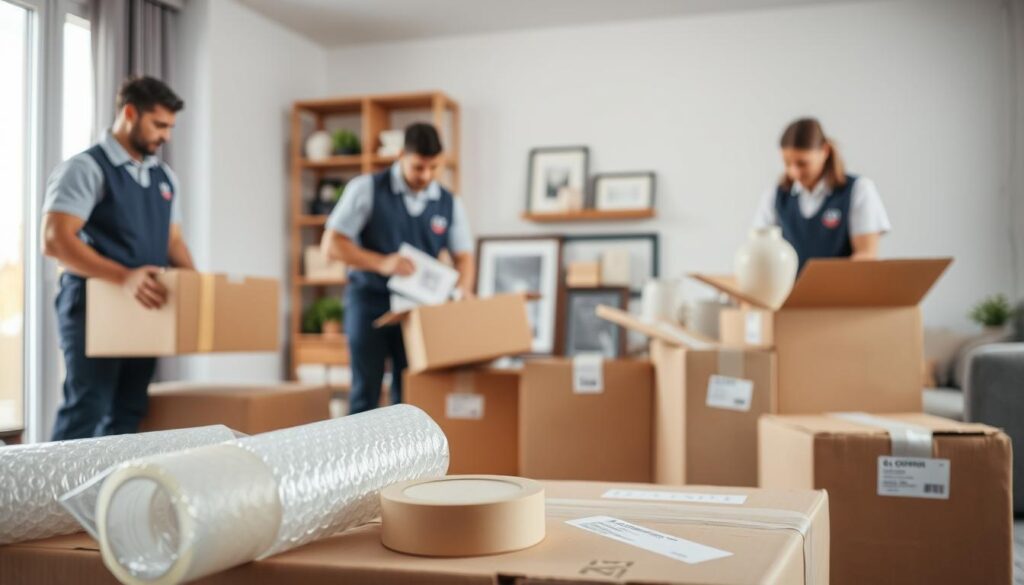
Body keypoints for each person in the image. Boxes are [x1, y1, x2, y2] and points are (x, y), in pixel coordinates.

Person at [42, 76, 193, 439]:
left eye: (170, 127)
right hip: (94, 303)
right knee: (87, 406)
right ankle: (48, 499)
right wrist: (124, 276)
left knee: (128, 410)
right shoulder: (85, 168)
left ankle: (107, 497)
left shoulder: (164, 177)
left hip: (144, 304)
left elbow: (173, 241)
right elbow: (55, 241)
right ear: (129, 113)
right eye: (159, 125)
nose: (166, 136)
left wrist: (196, 283)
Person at [321, 123, 475, 414]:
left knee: (411, 393)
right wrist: (382, 263)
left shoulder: (449, 202)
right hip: (369, 302)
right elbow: (331, 245)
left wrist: (463, 288)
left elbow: (464, 257)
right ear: (402, 155)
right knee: (365, 391)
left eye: (433, 168)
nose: (426, 176)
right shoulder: (365, 189)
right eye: (418, 167)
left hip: (416, 310)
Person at [753, 117, 891, 271]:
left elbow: (866, 255)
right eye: (787, 163)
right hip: (791, 293)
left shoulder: (859, 189)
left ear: (824, 151)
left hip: (841, 291)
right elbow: (760, 252)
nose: (794, 172)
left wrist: (824, 287)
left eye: (802, 163)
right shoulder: (775, 196)